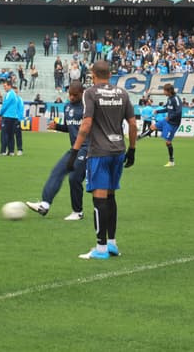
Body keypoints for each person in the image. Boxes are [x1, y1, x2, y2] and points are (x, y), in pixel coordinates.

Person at [66, 60, 137, 260]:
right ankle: (112, 244)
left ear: (93, 74)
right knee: (111, 197)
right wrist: (132, 149)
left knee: (99, 199)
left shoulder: (90, 93)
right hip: (118, 151)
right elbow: (132, 124)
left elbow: (87, 123)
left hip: (99, 153)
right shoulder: (122, 93)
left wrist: (74, 151)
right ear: (110, 74)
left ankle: (101, 248)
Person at [26, 81, 87, 221]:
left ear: (82, 93)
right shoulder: (67, 107)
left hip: (89, 148)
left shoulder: (88, 107)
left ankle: (78, 212)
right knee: (57, 171)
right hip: (75, 149)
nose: (71, 97)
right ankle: (44, 205)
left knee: (74, 178)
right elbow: (70, 128)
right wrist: (57, 127)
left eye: (75, 95)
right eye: (70, 94)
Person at [152, 83, 182, 167]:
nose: (163, 92)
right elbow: (167, 109)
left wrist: (170, 117)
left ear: (169, 91)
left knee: (168, 142)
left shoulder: (176, 99)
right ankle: (137, 138)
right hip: (168, 121)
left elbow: (178, 111)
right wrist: (158, 111)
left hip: (173, 123)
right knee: (153, 126)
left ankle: (171, 161)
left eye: (164, 91)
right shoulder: (169, 98)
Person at [0, 81, 20, 156]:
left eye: (5, 86)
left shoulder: (9, 94)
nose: (4, 88)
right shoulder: (14, 94)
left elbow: (5, 105)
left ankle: (3, 151)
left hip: (7, 116)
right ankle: (11, 151)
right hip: (13, 117)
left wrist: (0, 113)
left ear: (9, 86)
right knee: (11, 134)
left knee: (4, 134)